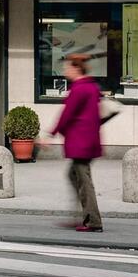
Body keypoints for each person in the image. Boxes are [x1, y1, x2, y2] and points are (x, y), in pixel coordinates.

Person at [42, 52, 104, 232]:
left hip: (81, 142)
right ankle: (82, 217)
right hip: (89, 140)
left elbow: (66, 115)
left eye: (67, 67)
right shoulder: (92, 87)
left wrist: (50, 134)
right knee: (74, 176)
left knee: (84, 181)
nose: (65, 71)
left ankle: (93, 221)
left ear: (76, 68)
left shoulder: (79, 89)